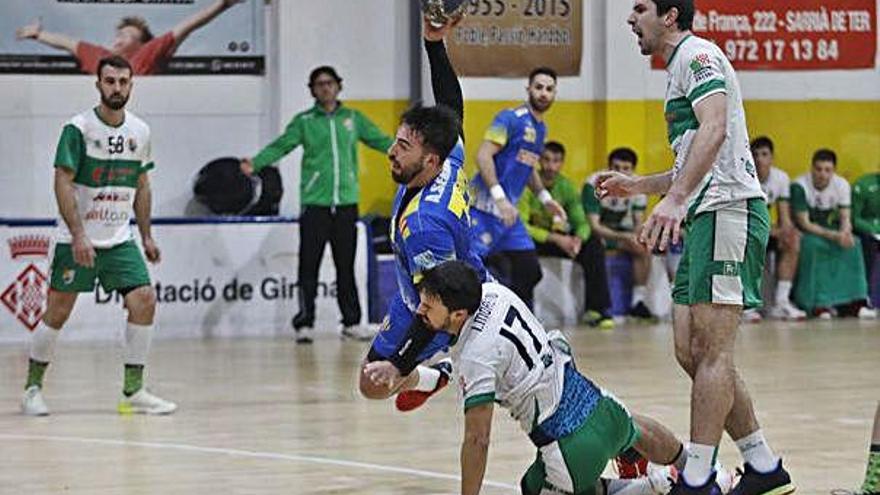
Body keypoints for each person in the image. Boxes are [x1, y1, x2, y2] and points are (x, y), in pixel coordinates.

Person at [597, 1, 795, 493]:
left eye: (639, 7)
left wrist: (676, 200)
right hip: (706, 213)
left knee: (712, 350)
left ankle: (698, 476)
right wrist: (640, 186)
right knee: (691, 351)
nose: (629, 18)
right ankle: (764, 467)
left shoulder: (697, 54)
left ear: (669, 15)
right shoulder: (677, 70)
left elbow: (716, 128)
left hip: (729, 208)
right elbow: (694, 155)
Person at [366, 260, 705, 495]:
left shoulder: (475, 357)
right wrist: (402, 368)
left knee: (534, 487)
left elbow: (478, 440)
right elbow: (505, 356)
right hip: (601, 407)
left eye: (427, 307)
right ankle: (701, 472)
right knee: (635, 428)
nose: (420, 312)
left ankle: (655, 485)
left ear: (457, 314)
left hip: (569, 450)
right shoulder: (495, 293)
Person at [21, 56, 175, 416]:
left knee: (144, 299)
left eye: (123, 81)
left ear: (131, 85)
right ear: (98, 84)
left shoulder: (140, 131)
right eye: (110, 81)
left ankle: (133, 392)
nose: (117, 88)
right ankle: (32, 388)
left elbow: (141, 183)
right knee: (57, 312)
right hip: (77, 239)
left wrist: (147, 235)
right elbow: (62, 180)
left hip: (119, 240)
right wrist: (78, 235)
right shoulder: (79, 128)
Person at [356, 18, 490, 413]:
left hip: (445, 308)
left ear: (428, 159)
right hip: (418, 290)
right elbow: (452, 108)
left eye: (402, 147)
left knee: (378, 383)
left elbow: (440, 300)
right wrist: (435, 45)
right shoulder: (447, 160)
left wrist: (400, 365)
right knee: (368, 380)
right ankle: (437, 373)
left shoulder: (425, 225)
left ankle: (444, 366)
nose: (392, 152)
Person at [240, 66, 394, 343]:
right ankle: (304, 323)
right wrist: (256, 162)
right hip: (315, 205)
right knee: (308, 265)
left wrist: (405, 152)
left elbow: (380, 141)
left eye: (330, 83)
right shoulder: (304, 121)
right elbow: (281, 146)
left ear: (338, 86)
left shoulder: (353, 119)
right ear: (312, 89)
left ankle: (351, 322)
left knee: (345, 265)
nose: (325, 88)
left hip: (346, 204)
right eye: (319, 84)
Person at [469, 67, 567, 308]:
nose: (543, 93)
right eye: (539, 87)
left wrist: (545, 198)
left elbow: (528, 166)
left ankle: (513, 322)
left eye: (549, 89)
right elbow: (483, 156)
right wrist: (499, 198)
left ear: (555, 93)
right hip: (482, 211)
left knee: (530, 270)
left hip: (508, 217)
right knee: (470, 273)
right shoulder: (509, 118)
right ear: (528, 89)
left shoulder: (541, 129)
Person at [519, 141, 614, 329]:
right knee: (518, 250)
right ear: (538, 161)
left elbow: (582, 222)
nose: (550, 166)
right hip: (534, 239)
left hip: (561, 238)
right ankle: (524, 313)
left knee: (593, 244)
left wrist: (578, 238)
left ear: (562, 163)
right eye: (546, 160)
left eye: (556, 161)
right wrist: (556, 239)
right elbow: (521, 226)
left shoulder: (566, 186)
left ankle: (597, 310)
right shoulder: (526, 185)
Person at [16, 0, 243, 75]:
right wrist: (38, 34)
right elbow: (68, 43)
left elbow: (187, 26)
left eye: (127, 35)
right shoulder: (99, 56)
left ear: (141, 44)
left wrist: (222, 4)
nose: (119, 38)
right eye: (119, 34)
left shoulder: (146, 55)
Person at [790, 149, 876, 319]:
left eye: (827, 170)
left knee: (854, 244)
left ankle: (854, 303)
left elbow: (845, 216)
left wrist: (845, 233)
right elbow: (804, 224)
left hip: (832, 231)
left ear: (833, 171)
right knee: (813, 246)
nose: (822, 174)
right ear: (812, 169)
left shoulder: (841, 184)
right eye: (818, 169)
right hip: (808, 232)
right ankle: (817, 304)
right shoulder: (799, 186)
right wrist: (834, 236)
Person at [583, 148, 657, 321]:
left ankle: (637, 303)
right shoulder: (594, 184)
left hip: (620, 235)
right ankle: (600, 308)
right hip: (597, 236)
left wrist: (639, 238)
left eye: (626, 169)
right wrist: (625, 237)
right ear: (608, 167)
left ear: (632, 170)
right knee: (596, 245)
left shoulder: (638, 185)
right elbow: (594, 226)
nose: (620, 173)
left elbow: (638, 223)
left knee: (644, 246)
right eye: (616, 167)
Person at [746, 137, 806, 322]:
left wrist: (786, 232)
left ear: (772, 158)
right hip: (745, 230)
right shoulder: (743, 177)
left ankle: (782, 302)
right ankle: (746, 304)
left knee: (793, 239)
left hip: (767, 230)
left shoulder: (780, 178)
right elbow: (744, 219)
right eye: (755, 155)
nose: (759, 159)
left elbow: (785, 216)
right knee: (747, 242)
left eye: (764, 155)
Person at [852, 171, 880, 304]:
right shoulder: (863, 185)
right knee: (869, 243)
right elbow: (854, 218)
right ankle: (866, 295)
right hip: (867, 231)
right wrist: (873, 229)